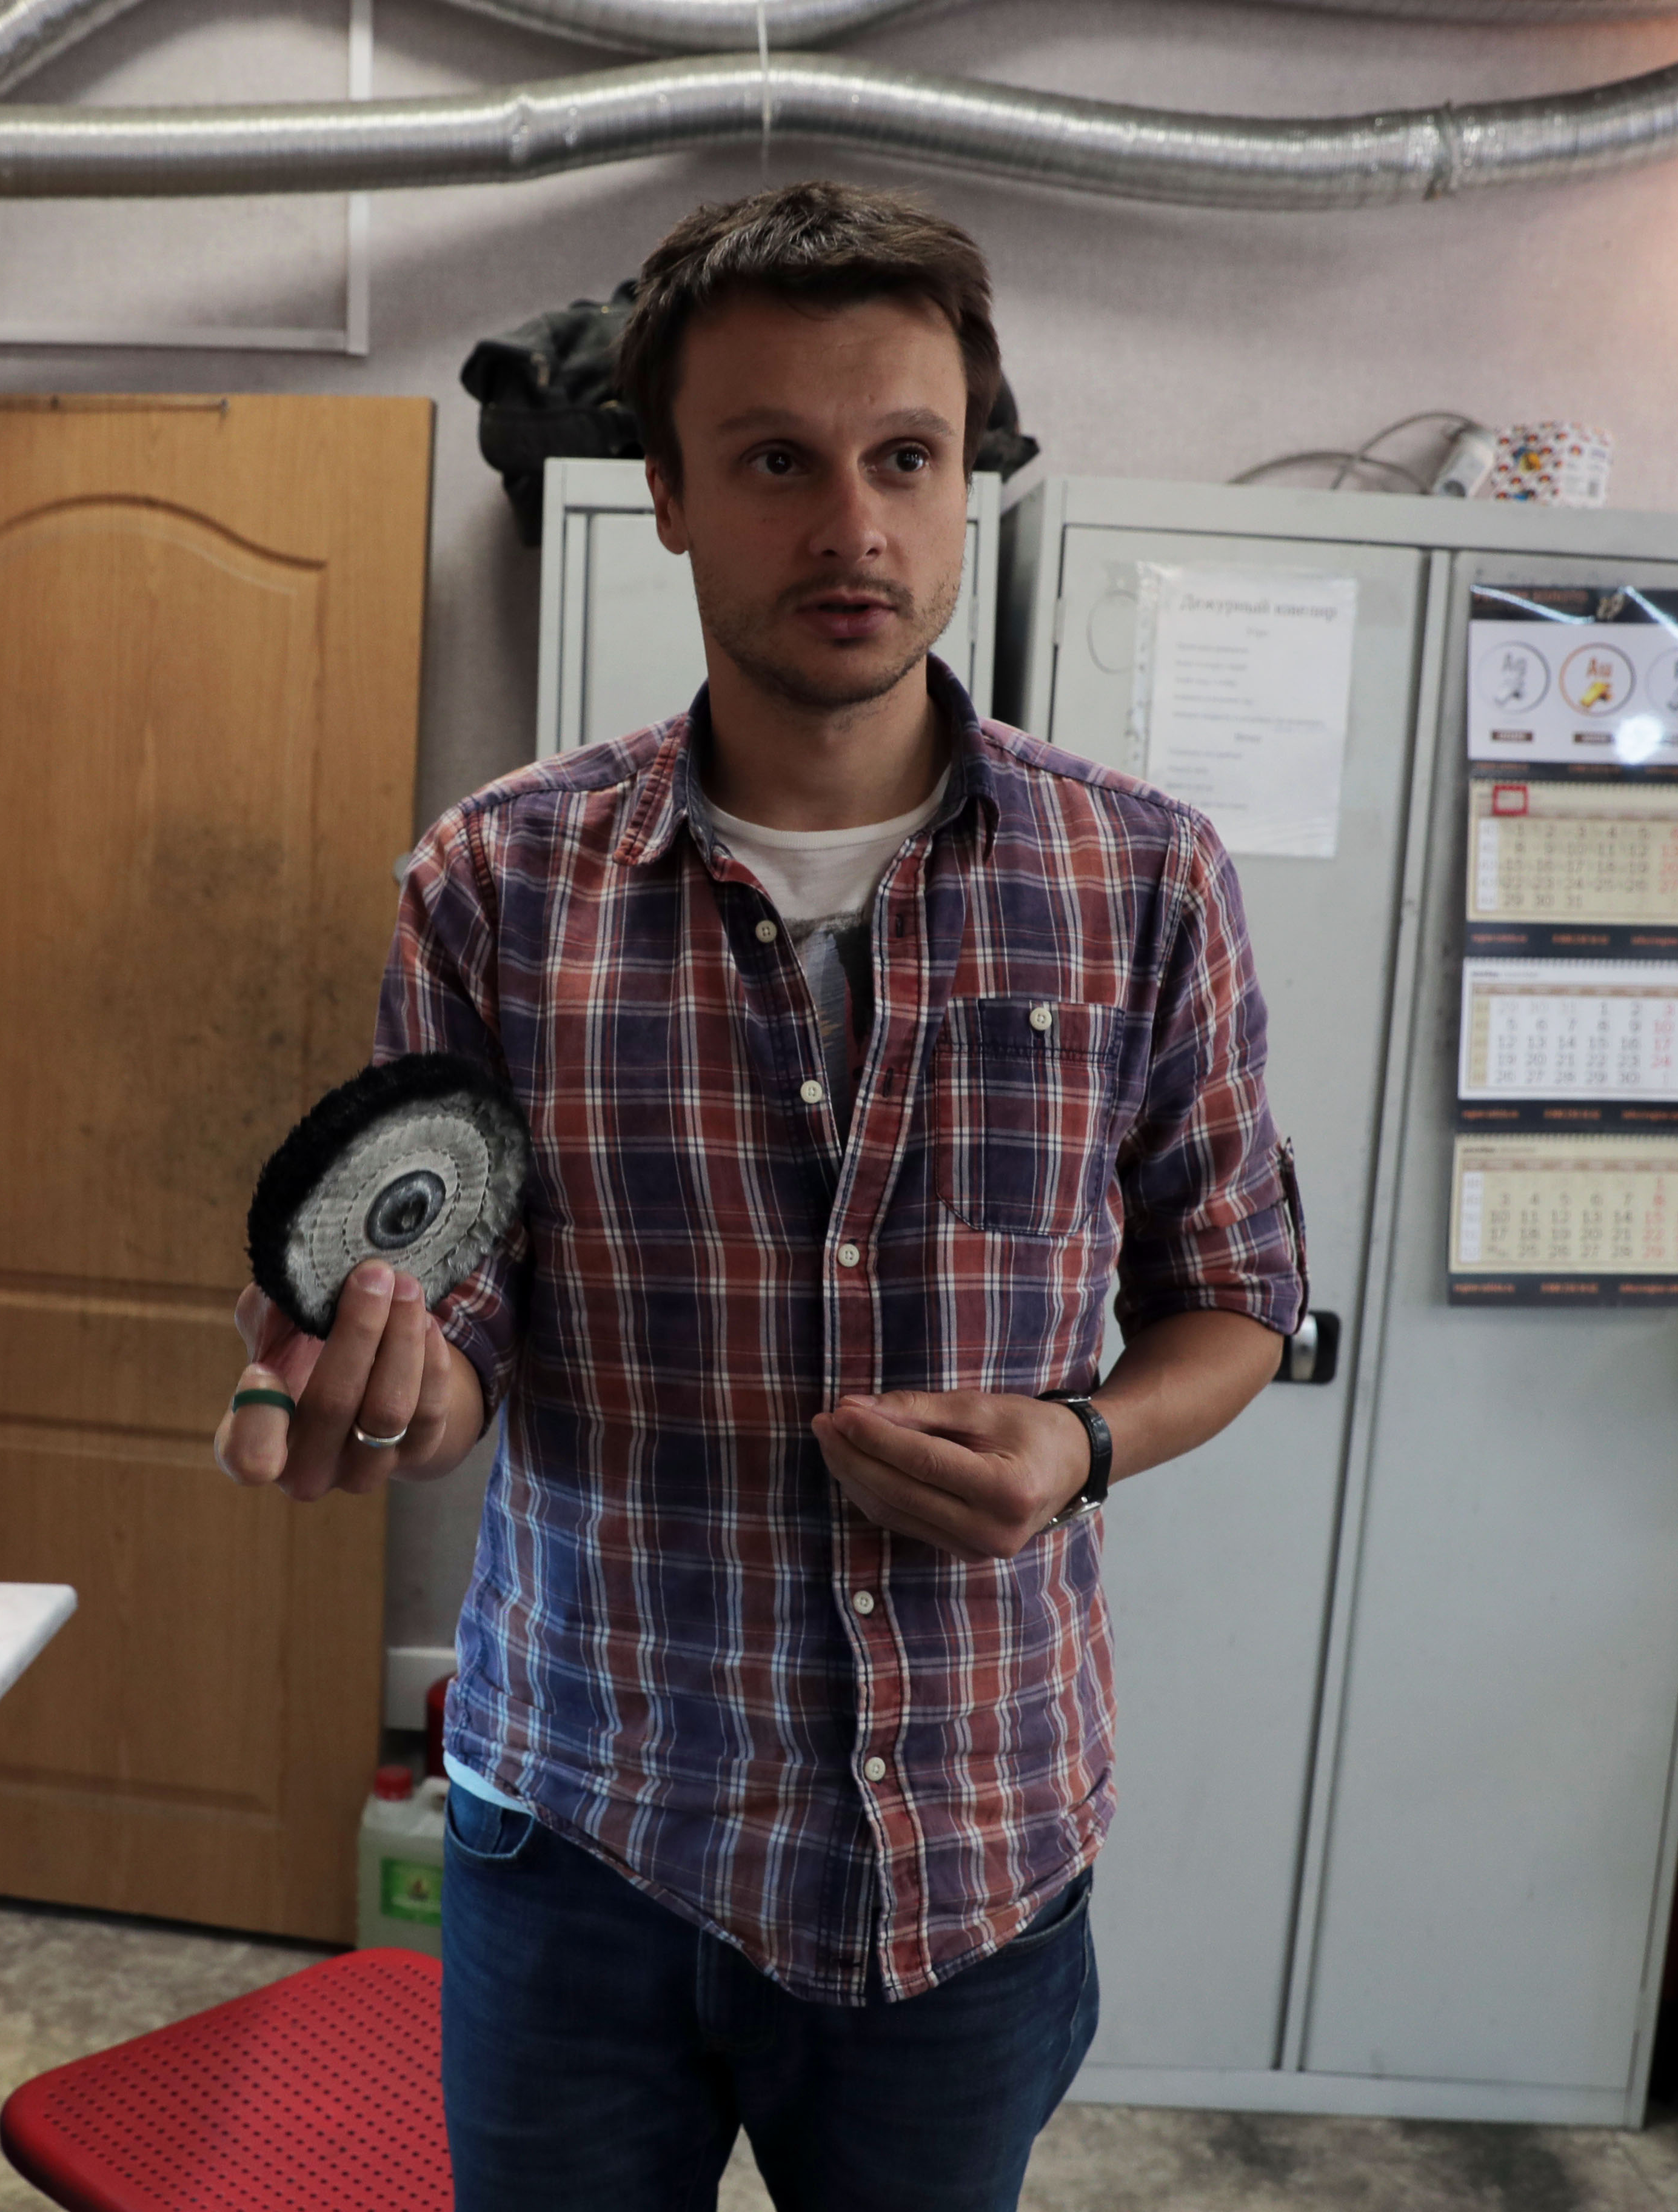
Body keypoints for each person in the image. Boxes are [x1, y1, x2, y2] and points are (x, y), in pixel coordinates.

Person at [214, 179, 1305, 2212]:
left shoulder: (1144, 878)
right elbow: (463, 1322)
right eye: (778, 461)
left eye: (907, 458)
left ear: (967, 482)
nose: (854, 526)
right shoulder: (498, 879)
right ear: (671, 496)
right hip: (586, 1828)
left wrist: (1080, 1445)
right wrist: (386, 1384)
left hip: (966, 1845)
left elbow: (1237, 1291)